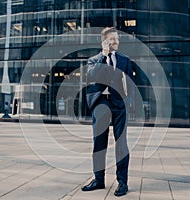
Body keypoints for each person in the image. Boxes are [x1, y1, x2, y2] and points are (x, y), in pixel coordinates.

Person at [82, 27, 135, 197]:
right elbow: (92, 76)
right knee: (99, 143)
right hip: (100, 103)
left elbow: (131, 83)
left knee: (121, 144)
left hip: (119, 104)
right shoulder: (93, 60)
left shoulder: (124, 60)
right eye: (113, 39)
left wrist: (129, 102)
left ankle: (122, 182)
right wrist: (104, 56)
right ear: (105, 41)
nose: (117, 42)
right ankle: (98, 180)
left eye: (118, 39)